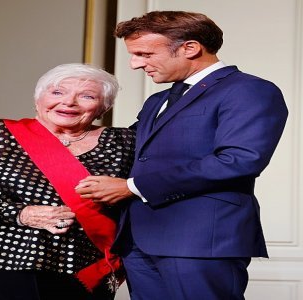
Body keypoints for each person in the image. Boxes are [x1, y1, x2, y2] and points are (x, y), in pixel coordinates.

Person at [75, 11, 289, 299]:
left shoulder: (249, 90)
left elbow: (238, 160)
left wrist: (131, 187)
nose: (135, 64)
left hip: (200, 241)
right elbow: (130, 147)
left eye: (145, 53)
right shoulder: (157, 100)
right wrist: (65, 126)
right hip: (138, 242)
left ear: (190, 48)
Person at [0, 63, 135, 300]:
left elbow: (145, 191)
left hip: (88, 262)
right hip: (6, 256)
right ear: (38, 98)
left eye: (87, 96)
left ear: (103, 107)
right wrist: (21, 213)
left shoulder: (123, 141)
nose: (69, 102)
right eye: (57, 92)